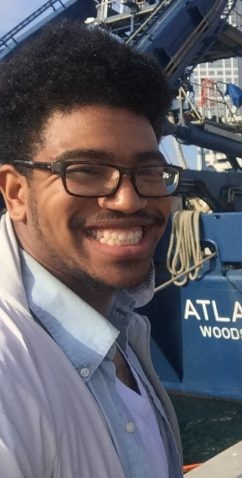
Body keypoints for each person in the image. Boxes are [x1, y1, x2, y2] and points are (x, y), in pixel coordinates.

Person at [0, 21, 183, 477]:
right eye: (84, 171)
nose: (129, 199)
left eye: (149, 172)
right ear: (16, 192)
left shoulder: (121, 324)